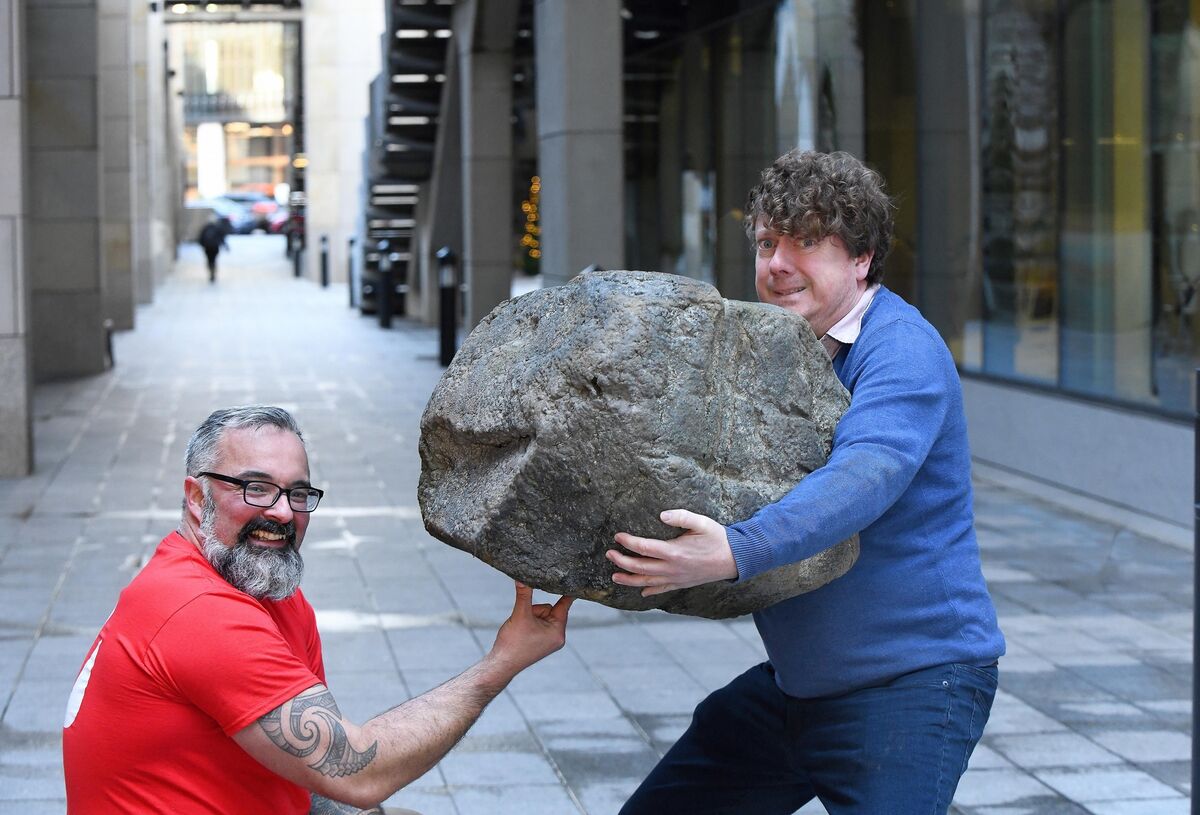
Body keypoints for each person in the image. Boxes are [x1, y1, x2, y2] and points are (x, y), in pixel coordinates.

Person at [607, 150, 1006, 815]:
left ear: (862, 258)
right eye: (768, 242)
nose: (777, 264)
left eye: (807, 241)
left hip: (913, 685)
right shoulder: (770, 350)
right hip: (798, 688)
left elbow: (861, 477)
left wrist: (736, 549)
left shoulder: (901, 348)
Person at [62, 406, 573, 814]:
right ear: (197, 498)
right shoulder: (197, 611)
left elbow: (312, 778)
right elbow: (355, 770)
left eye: (299, 493)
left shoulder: (270, 592)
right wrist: (501, 663)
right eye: (255, 488)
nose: (283, 512)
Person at [198, 217, 231, 283]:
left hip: (207, 247)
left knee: (209, 260)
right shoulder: (217, 228)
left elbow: (200, 238)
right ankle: (213, 271)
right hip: (215, 247)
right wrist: (226, 246)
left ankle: (211, 270)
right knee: (214, 260)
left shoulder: (205, 228)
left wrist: (202, 245)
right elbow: (222, 238)